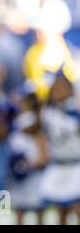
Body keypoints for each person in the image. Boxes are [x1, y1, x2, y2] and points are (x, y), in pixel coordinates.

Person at [40, 73, 80, 224]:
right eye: (56, 88)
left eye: (63, 87)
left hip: (76, 165)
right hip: (59, 164)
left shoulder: (75, 110)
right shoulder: (48, 112)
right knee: (61, 210)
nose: (59, 91)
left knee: (77, 207)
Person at [7, 85, 48, 225]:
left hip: (33, 169)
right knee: (19, 208)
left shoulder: (36, 120)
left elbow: (42, 146)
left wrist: (33, 164)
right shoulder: (16, 119)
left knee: (38, 207)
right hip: (19, 168)